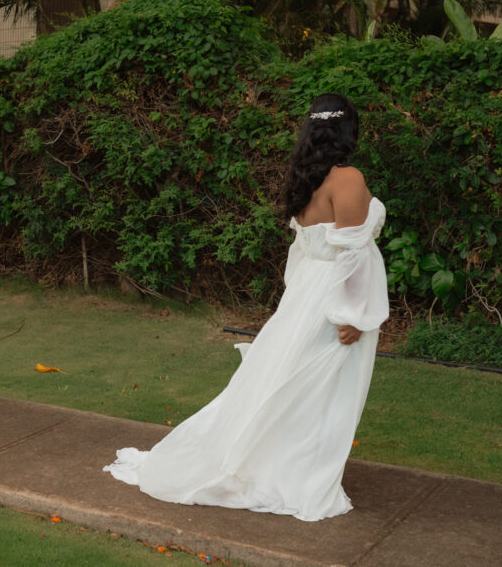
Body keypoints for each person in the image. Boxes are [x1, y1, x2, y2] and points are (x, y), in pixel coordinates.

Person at [104, 92, 389, 521]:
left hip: (309, 294)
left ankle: (288, 464)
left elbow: (304, 251)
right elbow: (349, 255)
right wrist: (351, 315)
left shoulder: (307, 178)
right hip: (333, 299)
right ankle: (296, 477)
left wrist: (297, 302)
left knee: (294, 385)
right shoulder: (346, 179)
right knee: (321, 390)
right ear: (348, 130)